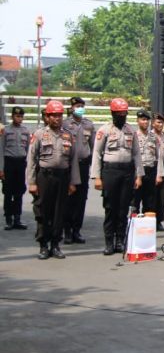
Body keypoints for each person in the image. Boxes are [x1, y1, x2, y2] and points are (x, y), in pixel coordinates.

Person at [26, 100, 80, 260]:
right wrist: (32, 182)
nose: (57, 118)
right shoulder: (39, 134)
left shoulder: (68, 135)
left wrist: (73, 182)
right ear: (47, 117)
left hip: (62, 177)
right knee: (43, 211)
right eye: (54, 115)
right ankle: (43, 245)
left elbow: (73, 160)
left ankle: (55, 244)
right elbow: (32, 160)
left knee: (59, 212)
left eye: (59, 115)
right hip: (45, 177)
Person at [91, 98, 144, 256]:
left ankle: (120, 240)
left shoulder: (131, 130)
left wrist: (139, 175)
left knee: (123, 208)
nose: (122, 116)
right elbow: (97, 153)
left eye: (124, 114)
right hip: (110, 172)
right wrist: (97, 177)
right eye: (119, 114)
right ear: (113, 114)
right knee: (110, 208)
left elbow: (136, 153)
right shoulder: (104, 130)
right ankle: (109, 242)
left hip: (127, 172)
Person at [62, 96, 94, 244]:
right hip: (69, 165)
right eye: (76, 106)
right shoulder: (65, 124)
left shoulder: (88, 124)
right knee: (69, 198)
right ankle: (67, 230)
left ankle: (77, 230)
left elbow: (93, 146)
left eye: (81, 105)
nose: (79, 108)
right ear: (71, 108)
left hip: (83, 165)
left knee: (81, 199)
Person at [1, 106, 31, 231]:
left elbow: (28, 149)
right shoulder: (6, 131)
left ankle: (17, 218)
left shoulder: (26, 131)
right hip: (9, 163)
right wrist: (1, 168)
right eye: (17, 116)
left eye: (21, 116)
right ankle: (8, 218)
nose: (19, 118)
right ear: (12, 116)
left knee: (19, 192)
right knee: (8, 192)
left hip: (20, 163)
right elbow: (1, 150)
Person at [133, 110, 164, 215]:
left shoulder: (153, 137)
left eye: (147, 120)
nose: (145, 122)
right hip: (137, 172)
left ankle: (146, 228)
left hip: (151, 171)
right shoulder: (133, 136)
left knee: (150, 203)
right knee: (134, 202)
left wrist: (159, 174)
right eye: (143, 120)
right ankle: (133, 227)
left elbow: (158, 157)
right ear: (137, 121)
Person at [152, 113, 164, 231]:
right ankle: (150, 221)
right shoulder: (150, 136)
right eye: (158, 122)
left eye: (162, 122)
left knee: (162, 197)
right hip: (152, 167)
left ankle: (159, 221)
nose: (160, 124)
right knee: (152, 196)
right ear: (153, 123)